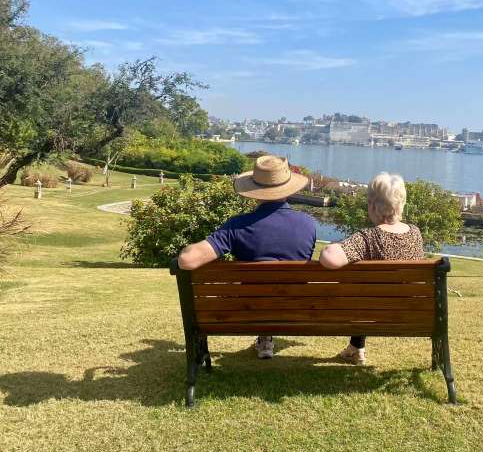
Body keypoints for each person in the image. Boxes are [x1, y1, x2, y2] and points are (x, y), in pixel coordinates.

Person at [178, 155, 315, 360]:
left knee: (261, 292)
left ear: (255, 191)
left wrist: (186, 248)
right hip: (296, 309)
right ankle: (266, 338)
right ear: (288, 188)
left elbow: (186, 260)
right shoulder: (308, 224)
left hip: (247, 310)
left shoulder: (237, 226)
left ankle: (264, 337)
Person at [319, 172, 424, 365]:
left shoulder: (367, 237)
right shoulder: (415, 233)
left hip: (371, 312)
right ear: (401, 204)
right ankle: (356, 346)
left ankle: (356, 345)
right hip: (411, 313)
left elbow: (329, 259)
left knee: (362, 294)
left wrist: (334, 245)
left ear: (373, 206)